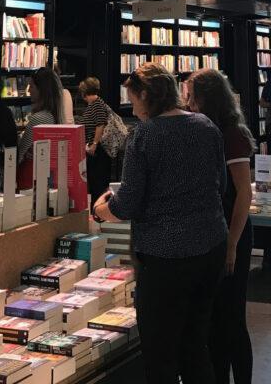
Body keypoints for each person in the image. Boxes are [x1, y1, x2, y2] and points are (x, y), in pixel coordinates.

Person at [93, 63, 226, 384]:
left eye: (133, 100)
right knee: (196, 344)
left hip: (165, 259)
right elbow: (219, 185)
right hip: (210, 248)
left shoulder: (147, 136)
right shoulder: (206, 126)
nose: (133, 108)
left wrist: (101, 209)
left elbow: (128, 204)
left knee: (160, 352)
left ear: (145, 95)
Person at [187, 69, 255, 384]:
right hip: (215, 234)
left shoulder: (231, 134)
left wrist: (232, 244)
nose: (188, 103)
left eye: (191, 96)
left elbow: (244, 192)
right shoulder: (206, 130)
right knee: (215, 319)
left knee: (232, 319)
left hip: (232, 233)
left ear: (206, 98)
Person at [18, 67, 67, 164]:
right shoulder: (54, 115)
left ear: (41, 90)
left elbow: (20, 155)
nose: (29, 91)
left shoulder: (39, 119)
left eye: (31, 86)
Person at [78, 77, 112, 206]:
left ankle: (98, 211)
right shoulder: (94, 104)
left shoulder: (96, 104)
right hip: (95, 150)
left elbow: (100, 124)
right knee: (95, 182)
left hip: (97, 151)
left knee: (98, 183)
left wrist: (94, 144)